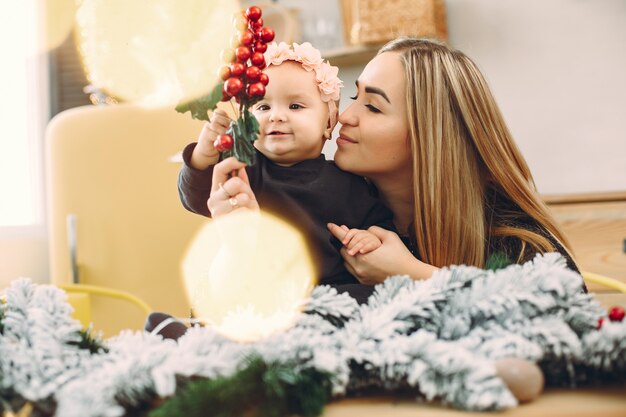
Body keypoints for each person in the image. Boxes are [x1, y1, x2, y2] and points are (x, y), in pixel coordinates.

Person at [203, 37, 584, 289]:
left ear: (431, 136)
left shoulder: (514, 241)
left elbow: (565, 320)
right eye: (354, 97)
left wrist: (414, 275)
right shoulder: (333, 208)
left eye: (373, 106)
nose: (346, 117)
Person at [178, 42, 394, 300]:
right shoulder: (245, 169)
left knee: (370, 296)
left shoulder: (350, 183)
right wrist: (204, 155)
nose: (276, 116)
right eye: (263, 107)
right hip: (263, 292)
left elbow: (381, 227)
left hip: (331, 292)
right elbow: (198, 197)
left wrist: (368, 239)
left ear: (329, 122)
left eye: (295, 107)